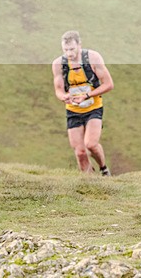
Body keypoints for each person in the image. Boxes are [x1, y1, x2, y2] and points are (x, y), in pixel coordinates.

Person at [51, 31, 114, 175]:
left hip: (93, 107)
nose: (69, 53)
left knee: (90, 144)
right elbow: (58, 90)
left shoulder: (93, 58)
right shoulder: (58, 64)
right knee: (79, 152)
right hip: (73, 110)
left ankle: (104, 169)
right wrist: (64, 97)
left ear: (79, 45)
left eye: (72, 49)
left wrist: (87, 95)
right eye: (65, 50)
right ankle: (90, 184)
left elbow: (109, 84)